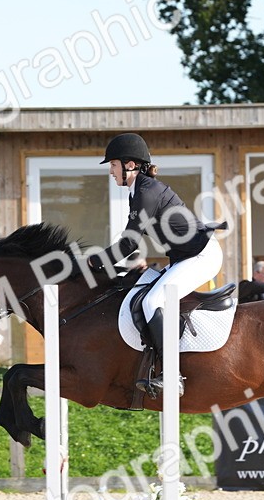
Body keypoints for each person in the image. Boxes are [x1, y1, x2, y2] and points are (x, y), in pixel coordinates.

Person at [87, 133, 223, 394]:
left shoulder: (147, 192)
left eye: (113, 165)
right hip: (186, 256)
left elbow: (128, 244)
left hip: (201, 255)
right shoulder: (138, 192)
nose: (111, 172)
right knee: (143, 291)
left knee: (152, 302)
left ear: (130, 165)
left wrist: (94, 262)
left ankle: (173, 376)